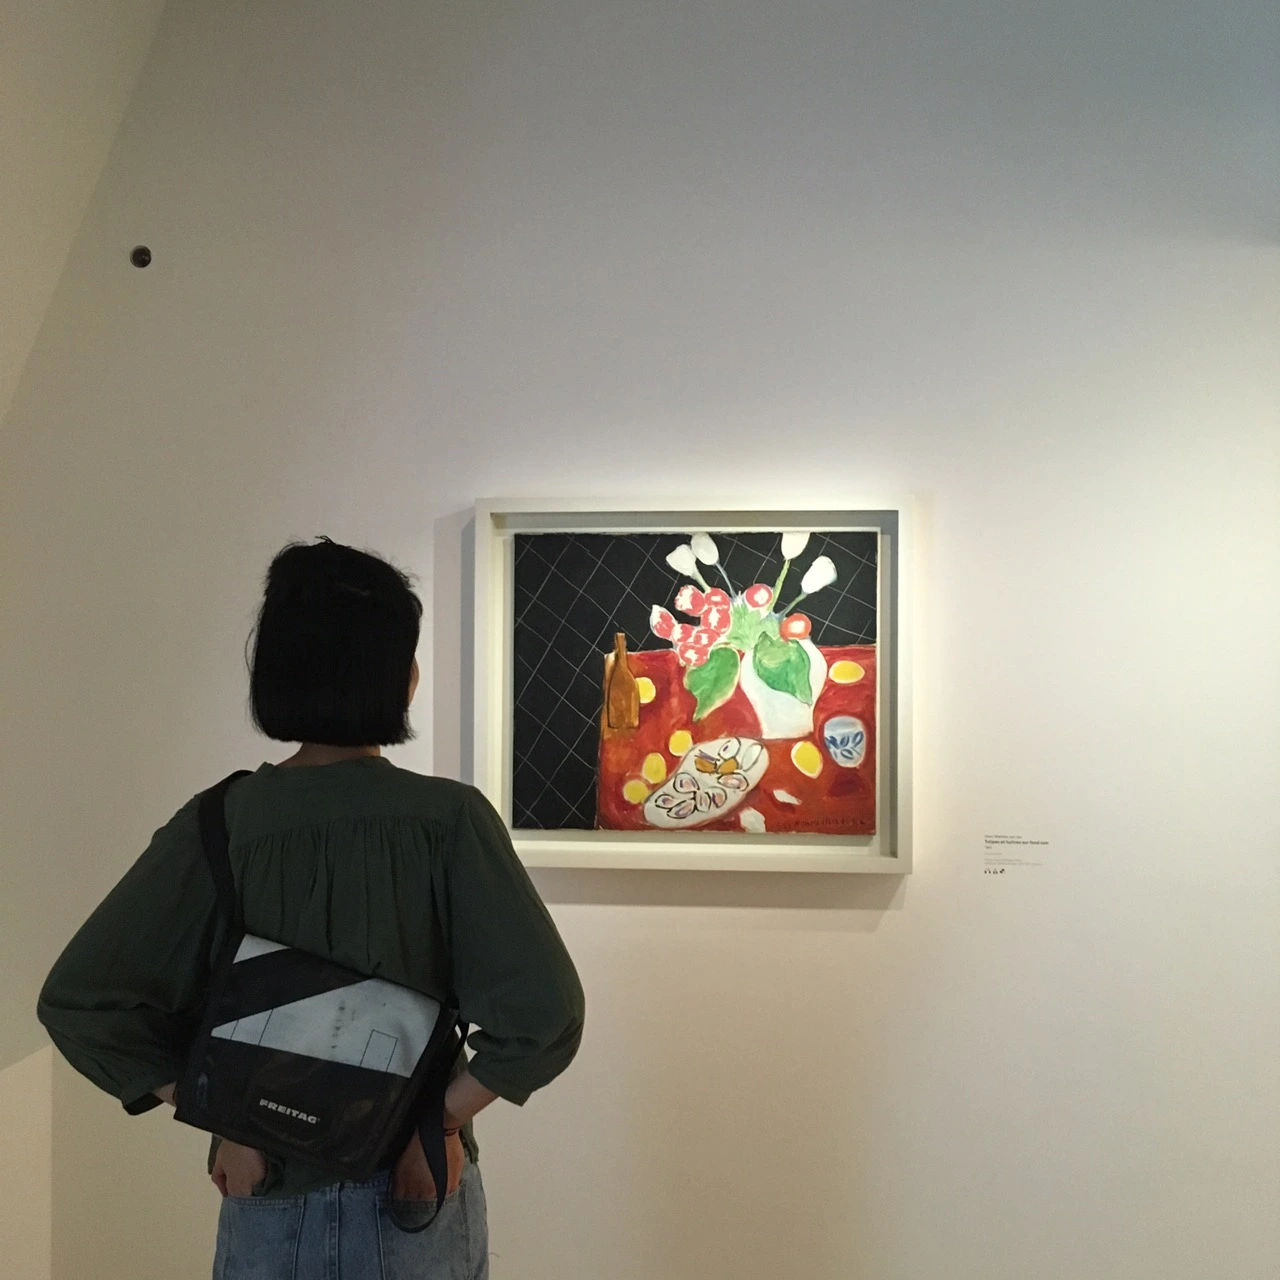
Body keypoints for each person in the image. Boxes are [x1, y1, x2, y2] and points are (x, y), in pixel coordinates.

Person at [37, 537, 585, 1279]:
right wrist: (439, 1123)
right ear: (404, 678)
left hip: (266, 1189)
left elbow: (81, 1002)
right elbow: (546, 1016)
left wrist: (226, 1116)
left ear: (273, 673)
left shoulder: (220, 822)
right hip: (412, 1190)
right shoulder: (449, 821)